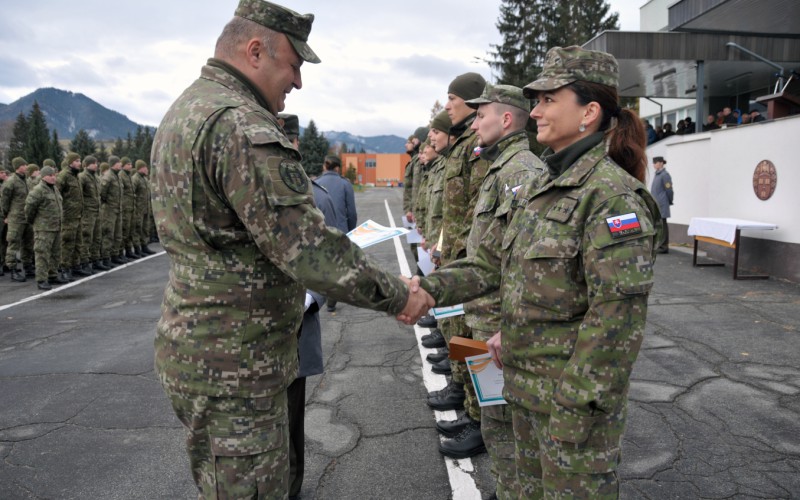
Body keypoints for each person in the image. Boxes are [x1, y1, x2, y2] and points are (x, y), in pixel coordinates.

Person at [149, 1, 432, 497]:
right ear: (255, 51)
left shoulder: (191, 108)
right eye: (294, 65)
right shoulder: (240, 125)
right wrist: (399, 296)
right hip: (237, 367)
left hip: (212, 354)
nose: (298, 82)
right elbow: (309, 249)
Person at [404, 45, 664, 498]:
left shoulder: (611, 198)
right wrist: (424, 290)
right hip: (525, 391)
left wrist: (574, 407)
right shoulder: (545, 185)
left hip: (568, 409)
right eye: (535, 100)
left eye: (548, 100)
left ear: (589, 113)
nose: (536, 110)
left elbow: (615, 323)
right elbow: (492, 265)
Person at [449, 82, 545, 495]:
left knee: (511, 436)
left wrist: (511, 324)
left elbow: (529, 263)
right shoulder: (501, 169)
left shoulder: (522, 173)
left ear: (505, 119)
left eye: (481, 115)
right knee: (497, 427)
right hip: (489, 324)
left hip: (504, 331)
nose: (474, 125)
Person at [287, 176, 335, 500]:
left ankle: (290, 489)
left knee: (289, 423)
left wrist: (305, 302)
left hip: (291, 335)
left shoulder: (309, 194)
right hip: (237, 342)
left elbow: (326, 260)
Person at [314, 154, 357, 312]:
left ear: (324, 166)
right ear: (338, 168)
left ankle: (323, 295)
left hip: (320, 231)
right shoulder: (345, 184)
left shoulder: (316, 183)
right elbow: (351, 212)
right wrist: (351, 231)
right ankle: (332, 299)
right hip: (340, 232)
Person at [25, 165, 63, 290]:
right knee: (42, 254)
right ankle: (41, 279)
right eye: (50, 175)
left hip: (56, 227)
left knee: (55, 253)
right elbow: (29, 210)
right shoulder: (38, 191)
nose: (53, 178)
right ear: (43, 176)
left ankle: (53, 274)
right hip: (44, 228)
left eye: (54, 175)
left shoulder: (54, 189)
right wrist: (35, 223)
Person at [2, 157, 33, 281]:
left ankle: (28, 266)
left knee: (28, 243)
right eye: (23, 165)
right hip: (16, 217)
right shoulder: (11, 182)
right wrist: (7, 214)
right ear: (18, 167)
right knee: (13, 243)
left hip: (27, 217)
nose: (26, 166)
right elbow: (4, 201)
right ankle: (13, 269)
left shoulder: (27, 181)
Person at [57, 152, 84, 280]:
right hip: (68, 216)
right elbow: (57, 194)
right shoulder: (64, 176)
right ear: (70, 162)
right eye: (77, 161)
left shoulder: (75, 176)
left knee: (78, 242)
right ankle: (65, 268)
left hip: (77, 215)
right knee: (67, 243)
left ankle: (76, 266)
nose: (80, 163)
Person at [78, 155, 104, 273]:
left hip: (97, 211)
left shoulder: (96, 177)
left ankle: (95, 259)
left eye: (96, 163)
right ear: (87, 165)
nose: (96, 165)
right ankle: (84, 261)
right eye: (93, 163)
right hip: (88, 212)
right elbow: (79, 195)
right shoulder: (82, 177)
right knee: (87, 237)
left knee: (97, 237)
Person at [99, 156, 124, 267]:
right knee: (108, 234)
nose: (121, 164)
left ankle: (115, 255)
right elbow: (102, 193)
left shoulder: (117, 176)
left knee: (117, 234)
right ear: (114, 164)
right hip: (109, 210)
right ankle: (105, 257)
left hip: (117, 209)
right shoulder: (108, 177)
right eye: (119, 162)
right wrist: (108, 204)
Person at [650, 156, 673, 254]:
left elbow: (669, 190)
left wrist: (669, 201)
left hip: (662, 204)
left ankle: (664, 247)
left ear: (661, 163)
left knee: (663, 225)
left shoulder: (665, 175)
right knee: (658, 225)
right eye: (654, 163)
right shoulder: (657, 174)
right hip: (657, 204)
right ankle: (660, 245)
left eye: (656, 163)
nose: (654, 165)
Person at [119, 157, 137, 260]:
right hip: (125, 208)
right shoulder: (121, 176)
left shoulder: (128, 176)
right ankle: (121, 252)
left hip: (131, 207)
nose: (131, 166)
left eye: (131, 164)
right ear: (123, 165)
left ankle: (129, 251)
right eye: (128, 164)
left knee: (130, 230)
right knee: (124, 231)